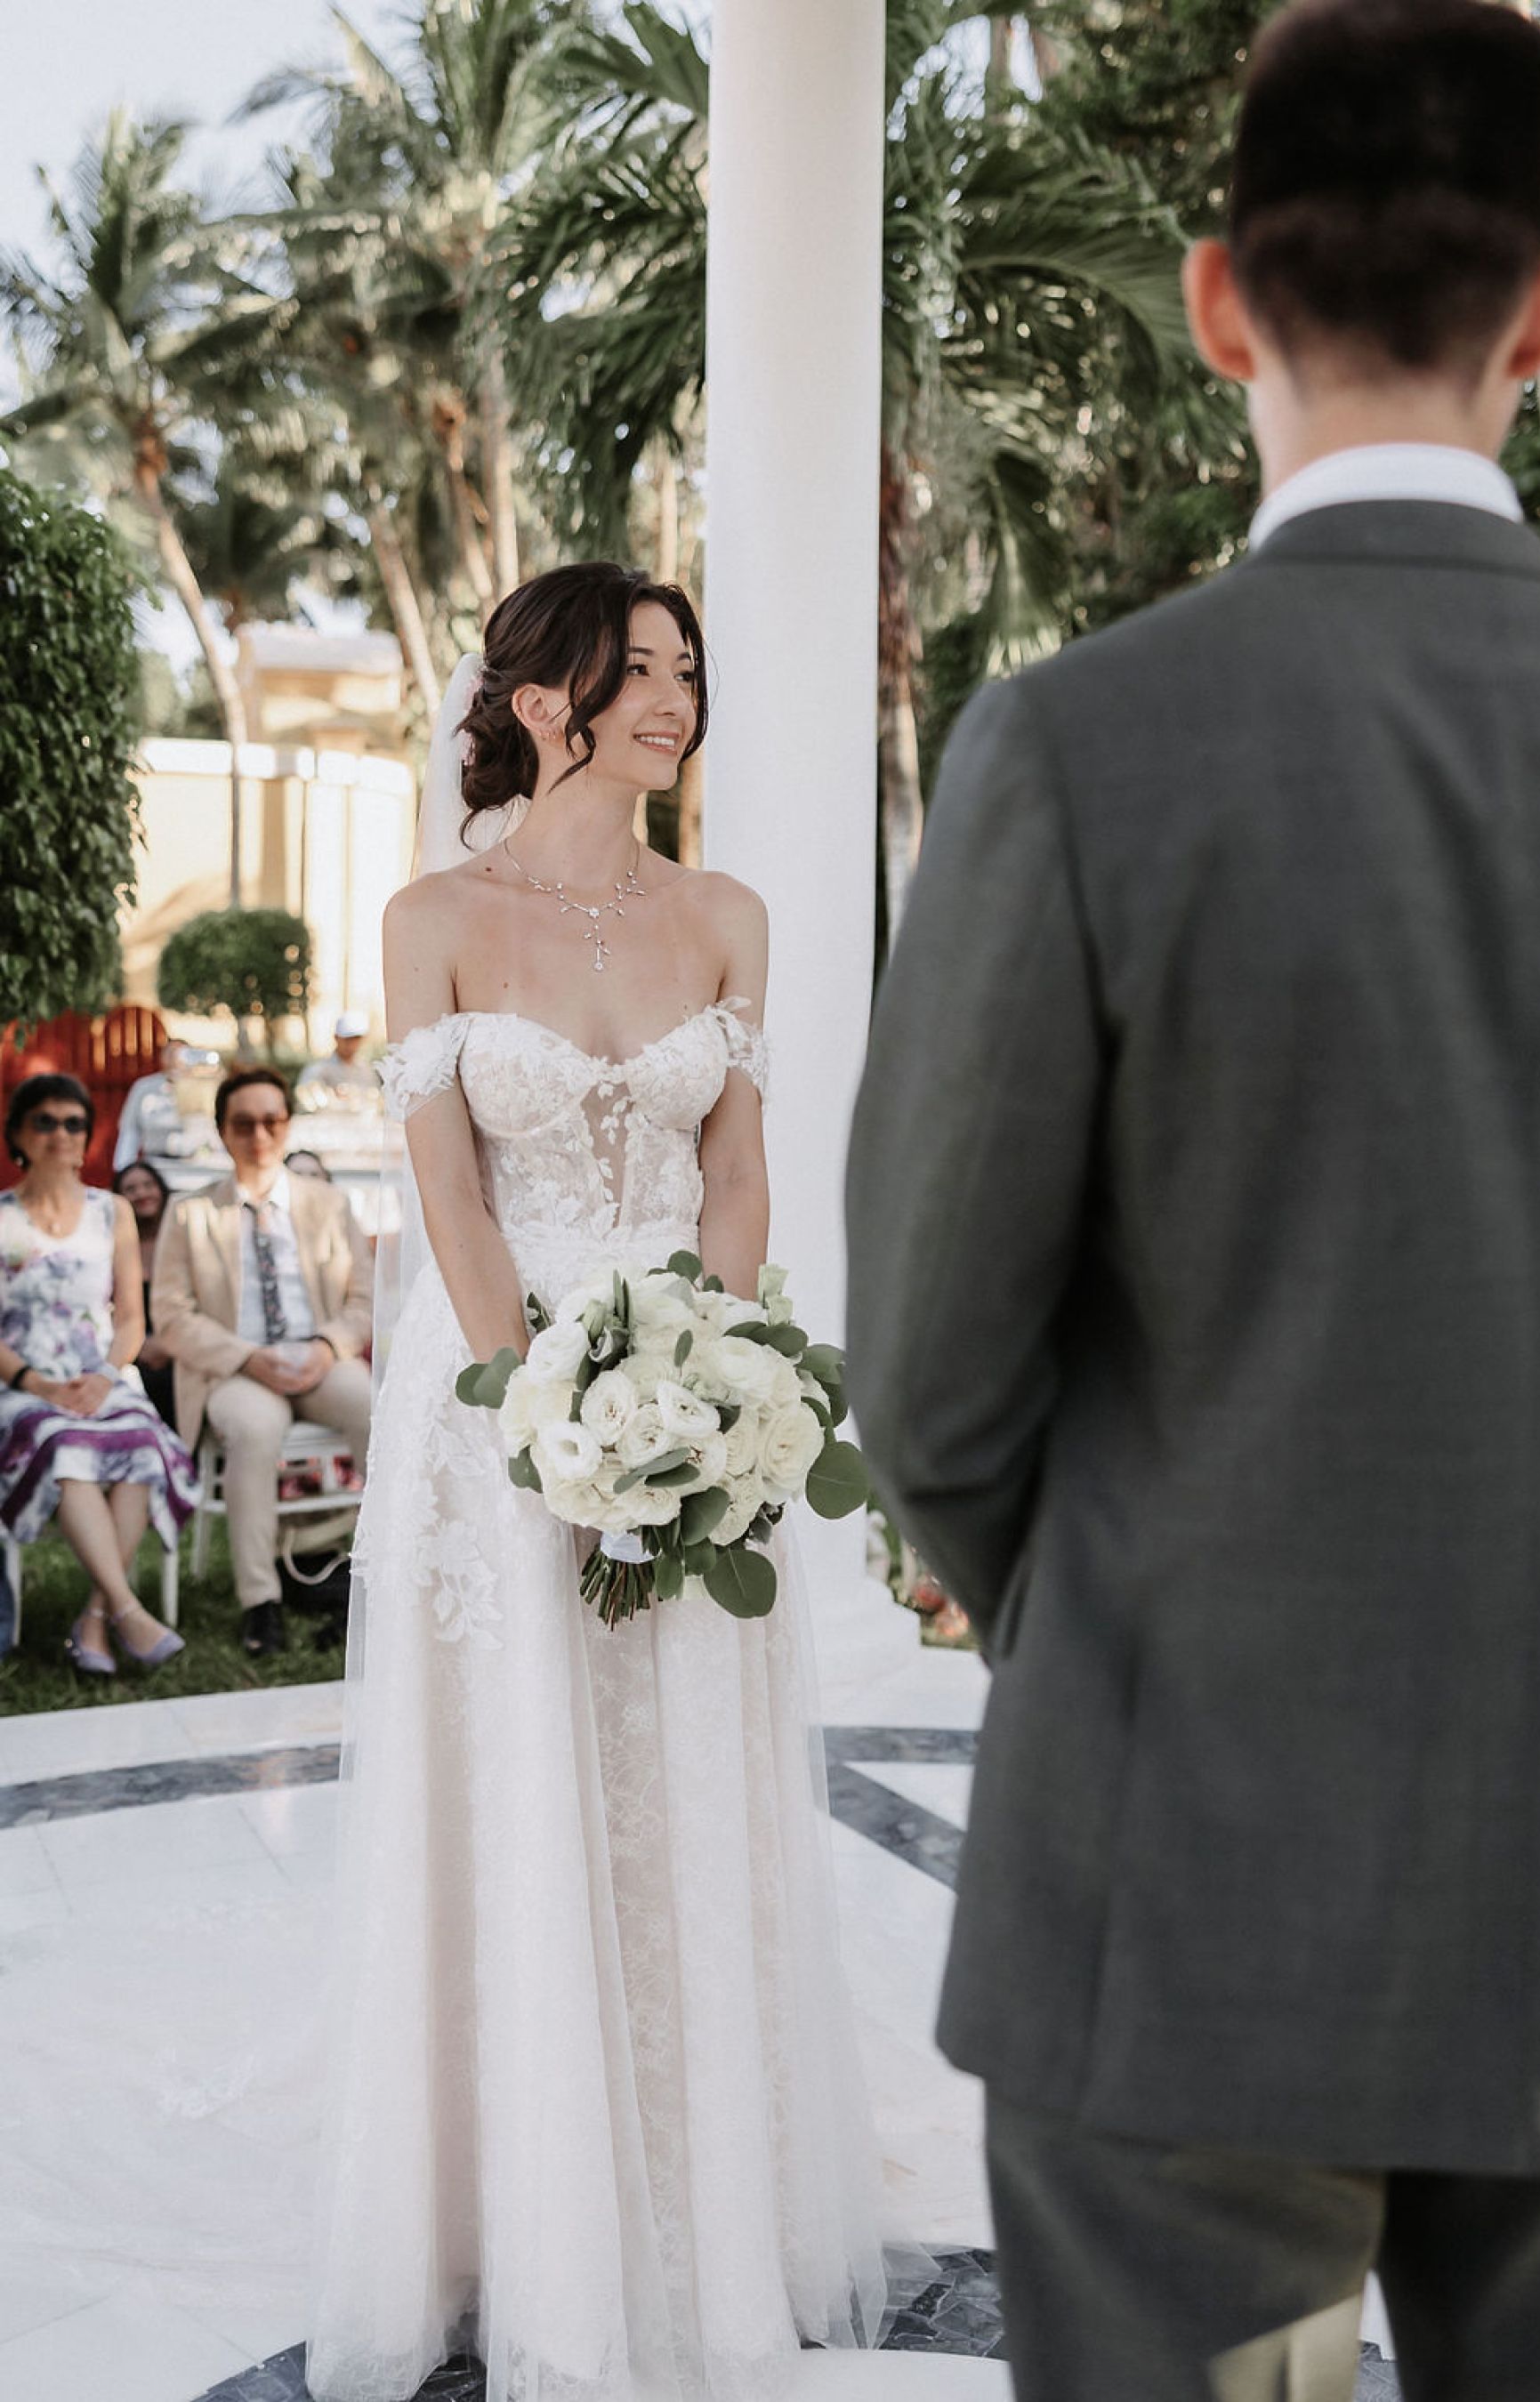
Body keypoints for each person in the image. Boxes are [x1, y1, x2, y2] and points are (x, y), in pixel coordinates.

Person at [846, 4, 1540, 2398]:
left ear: (1214, 301)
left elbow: (929, 1375)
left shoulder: (1076, 746)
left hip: (1171, 1877)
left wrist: (1120, 1612)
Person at [305, 564, 888, 2401]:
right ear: (540, 696)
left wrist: (707, 1391)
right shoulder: (434, 917)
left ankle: (705, 2211)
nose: (673, 697)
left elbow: (740, 1174)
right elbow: (451, 1196)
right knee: (519, 1793)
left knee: (681, 1784)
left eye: (687, 668)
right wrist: (545, 1419)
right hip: (498, 1409)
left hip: (695, 1397)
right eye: (636, 668)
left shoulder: (725, 914)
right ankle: (523, 2221)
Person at [151, 1067, 373, 1658]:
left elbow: (363, 1300)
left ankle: (376, 1576)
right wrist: (247, 1357)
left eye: (272, 1121)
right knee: (253, 1429)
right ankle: (261, 1600)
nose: (259, 1135)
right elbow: (171, 1315)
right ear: (223, 1131)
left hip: (317, 1358)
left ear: (288, 1124)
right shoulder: (190, 1213)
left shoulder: (329, 1204)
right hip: (235, 1368)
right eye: (244, 1123)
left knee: (376, 1409)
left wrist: (326, 1347)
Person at [0, 1075, 194, 1673]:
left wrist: (107, 1376)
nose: (60, 1133)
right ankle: (128, 1613)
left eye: (73, 1123)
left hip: (103, 1377)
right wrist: (39, 1384)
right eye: (45, 1121)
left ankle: (93, 1620)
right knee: (64, 1445)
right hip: (22, 1384)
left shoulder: (113, 1212)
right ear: (18, 1135)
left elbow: (131, 1319)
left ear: (87, 1137)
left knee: (142, 1446)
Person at [111, 1158, 177, 1430]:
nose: (141, 1193)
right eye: (131, 1189)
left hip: (179, 1349)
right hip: (131, 1353)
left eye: (148, 1185)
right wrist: (136, 1347)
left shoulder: (181, 1239)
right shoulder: (111, 1247)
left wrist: (169, 1345)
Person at [113, 1038, 187, 1170]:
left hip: (193, 1165)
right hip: (155, 1163)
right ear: (162, 1057)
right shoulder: (144, 1087)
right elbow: (130, 1130)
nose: (175, 1059)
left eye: (181, 1054)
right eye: (171, 1054)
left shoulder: (204, 1087)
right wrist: (123, 1168)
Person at [296, 1013, 381, 1101]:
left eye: (356, 1039)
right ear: (336, 1038)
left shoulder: (367, 1071)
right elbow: (305, 1098)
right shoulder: (317, 1070)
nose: (352, 1044)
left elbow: (376, 1098)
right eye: (347, 1039)